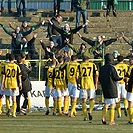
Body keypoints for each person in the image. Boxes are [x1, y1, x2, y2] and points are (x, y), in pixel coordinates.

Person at [99, 53, 123, 125]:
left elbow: (100, 78)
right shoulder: (112, 67)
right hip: (112, 87)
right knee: (113, 104)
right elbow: (116, 77)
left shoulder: (102, 68)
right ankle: (111, 121)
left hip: (104, 87)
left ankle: (103, 117)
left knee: (106, 103)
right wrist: (122, 77)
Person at [79, 56, 98, 121]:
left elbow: (77, 76)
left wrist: (78, 83)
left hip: (83, 84)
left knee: (84, 100)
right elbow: (96, 74)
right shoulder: (92, 64)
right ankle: (90, 111)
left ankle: (85, 116)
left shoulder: (80, 65)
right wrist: (96, 84)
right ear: (88, 60)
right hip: (91, 84)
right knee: (92, 98)